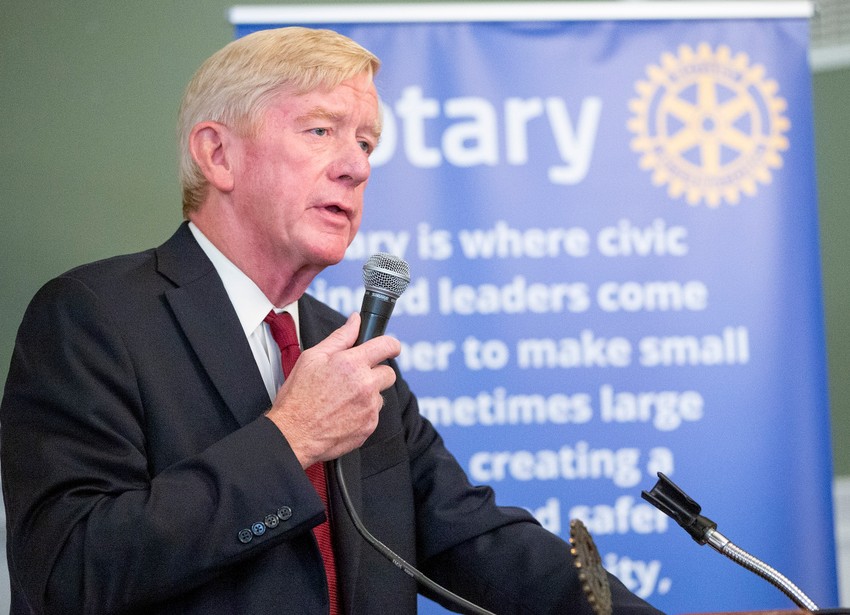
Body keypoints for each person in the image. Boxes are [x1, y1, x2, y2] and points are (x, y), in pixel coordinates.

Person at [1, 27, 664, 614]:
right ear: (218, 154)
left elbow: (472, 537)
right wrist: (290, 438)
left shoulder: (347, 348)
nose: (356, 166)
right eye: (320, 131)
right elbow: (66, 570)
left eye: (366, 143)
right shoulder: (95, 317)